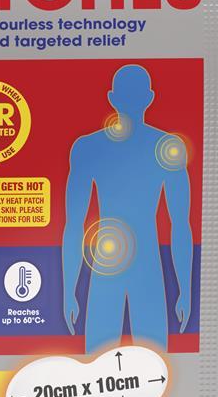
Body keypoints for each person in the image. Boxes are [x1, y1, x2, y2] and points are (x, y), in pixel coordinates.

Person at [62, 64, 193, 352]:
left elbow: (74, 226)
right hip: (140, 263)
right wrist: (184, 290)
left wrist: (69, 291)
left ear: (113, 98)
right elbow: (180, 225)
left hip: (111, 263)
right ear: (149, 98)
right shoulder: (165, 147)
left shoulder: (89, 147)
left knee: (115, 359)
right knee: (151, 360)